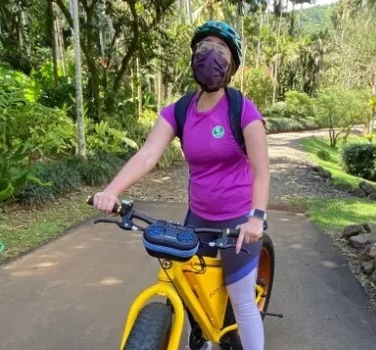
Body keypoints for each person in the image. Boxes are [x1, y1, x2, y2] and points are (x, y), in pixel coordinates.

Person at [91, 20, 269, 350]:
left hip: (238, 222)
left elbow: (261, 170)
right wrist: (112, 191)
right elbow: (147, 155)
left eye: (220, 50)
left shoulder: (242, 110)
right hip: (199, 218)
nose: (210, 56)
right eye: (204, 48)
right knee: (190, 289)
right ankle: (199, 337)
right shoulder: (180, 111)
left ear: (230, 65)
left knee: (243, 302)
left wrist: (257, 217)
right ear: (193, 57)